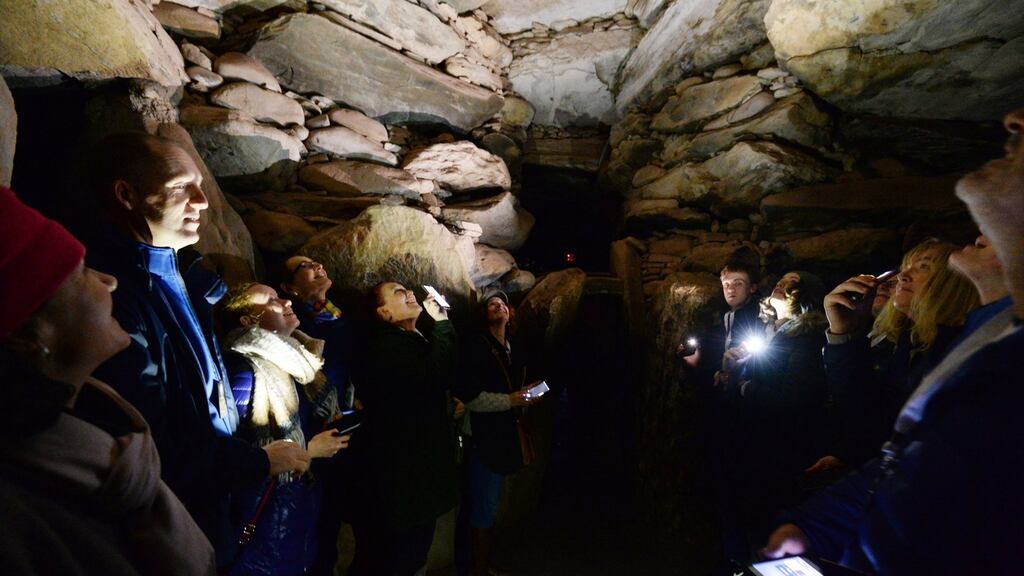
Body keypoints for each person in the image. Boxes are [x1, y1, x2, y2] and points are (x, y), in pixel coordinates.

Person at [761, 108, 1024, 574]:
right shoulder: (987, 335)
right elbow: (897, 459)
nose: (1014, 116)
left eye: (923, 267)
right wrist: (813, 527)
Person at [86, 132, 310, 567]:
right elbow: (150, 441)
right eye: (179, 188)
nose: (202, 202)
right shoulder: (115, 297)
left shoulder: (184, 277)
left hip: (209, 507)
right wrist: (254, 462)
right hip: (169, 522)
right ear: (126, 194)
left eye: (201, 186)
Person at [0, 187, 215, 575]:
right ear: (26, 334)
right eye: (79, 273)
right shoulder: (22, 522)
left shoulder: (107, 432)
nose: (108, 280)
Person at [812, 240, 979, 473]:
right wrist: (845, 333)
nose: (903, 276)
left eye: (923, 267)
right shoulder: (907, 342)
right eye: (905, 266)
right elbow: (871, 417)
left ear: (954, 284)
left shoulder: (961, 353)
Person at [218, 283, 350, 576]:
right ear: (249, 321)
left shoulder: (300, 363)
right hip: (267, 533)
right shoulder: (245, 370)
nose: (287, 300)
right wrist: (309, 451)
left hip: (297, 519)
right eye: (273, 300)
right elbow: (236, 458)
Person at [717, 270, 829, 563]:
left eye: (795, 281)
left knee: (761, 531)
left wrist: (745, 386)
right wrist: (734, 372)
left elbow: (794, 403)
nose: (783, 283)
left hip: (772, 455)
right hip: (747, 446)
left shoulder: (805, 341)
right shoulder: (768, 333)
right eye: (782, 278)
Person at [363, 281, 459, 576]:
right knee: (404, 555)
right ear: (384, 313)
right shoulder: (388, 346)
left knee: (417, 548)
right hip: (406, 476)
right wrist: (442, 323)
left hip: (418, 474)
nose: (410, 294)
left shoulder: (414, 338)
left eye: (409, 291)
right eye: (398, 293)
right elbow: (433, 375)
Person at [454, 291, 541, 576]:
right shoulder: (475, 347)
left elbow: (540, 382)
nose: (497, 305)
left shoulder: (515, 348)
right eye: (491, 304)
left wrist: (536, 394)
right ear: (483, 315)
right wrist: (512, 400)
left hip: (506, 438)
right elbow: (470, 396)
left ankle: (483, 564)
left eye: (502, 303)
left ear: (510, 313)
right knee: (483, 508)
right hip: (485, 438)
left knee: (489, 507)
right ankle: (477, 568)